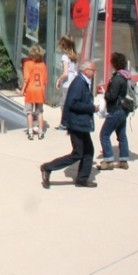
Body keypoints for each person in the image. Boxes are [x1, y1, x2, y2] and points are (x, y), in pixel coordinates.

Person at [40, 59, 99, 188]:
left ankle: (82, 179)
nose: (94, 72)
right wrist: (92, 108)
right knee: (78, 153)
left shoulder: (84, 82)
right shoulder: (79, 83)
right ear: (85, 71)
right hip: (76, 123)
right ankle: (47, 167)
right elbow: (73, 103)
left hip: (81, 123)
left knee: (88, 151)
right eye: (93, 70)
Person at [97, 52, 132, 170]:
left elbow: (112, 96)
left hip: (115, 111)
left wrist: (104, 94)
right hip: (124, 110)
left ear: (114, 63)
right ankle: (123, 160)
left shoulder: (117, 78)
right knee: (122, 135)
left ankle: (108, 161)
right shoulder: (127, 77)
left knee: (104, 134)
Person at [21, 44, 48, 140]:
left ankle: (30, 131)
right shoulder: (43, 65)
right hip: (40, 90)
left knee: (29, 112)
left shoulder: (27, 63)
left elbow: (26, 79)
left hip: (30, 90)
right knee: (39, 112)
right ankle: (40, 131)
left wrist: (22, 90)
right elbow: (45, 80)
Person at [54, 35, 79, 130]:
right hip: (74, 82)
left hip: (67, 83)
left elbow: (65, 73)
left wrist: (59, 80)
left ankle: (64, 123)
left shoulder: (65, 57)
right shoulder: (74, 56)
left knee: (64, 104)